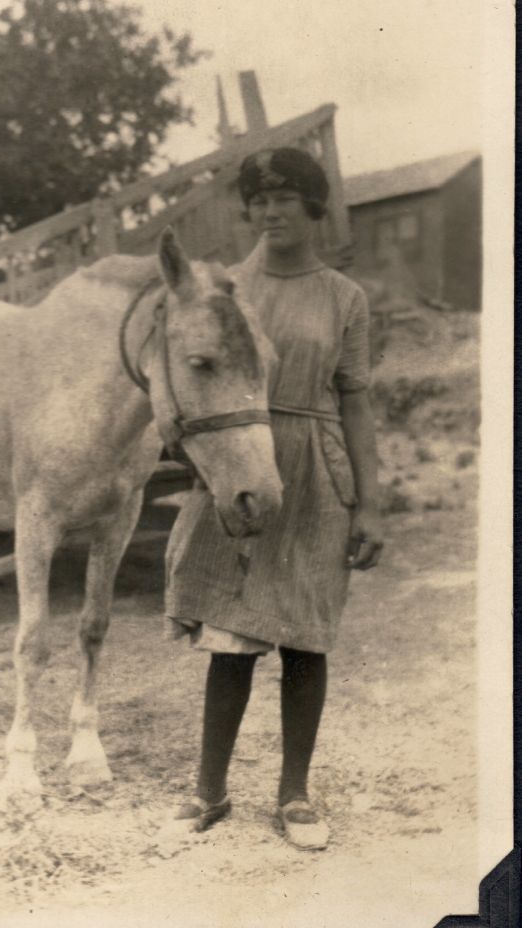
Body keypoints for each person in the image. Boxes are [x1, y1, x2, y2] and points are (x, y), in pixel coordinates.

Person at [164, 145, 382, 850]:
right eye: (258, 201)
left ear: (313, 206)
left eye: (285, 199)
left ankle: (294, 795)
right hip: (243, 462)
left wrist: (370, 502)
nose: (270, 213)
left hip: (317, 472)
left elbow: (355, 406)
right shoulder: (226, 289)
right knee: (232, 637)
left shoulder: (345, 299)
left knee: (305, 638)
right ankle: (209, 789)